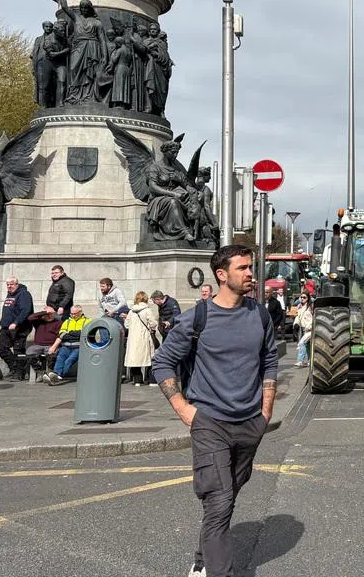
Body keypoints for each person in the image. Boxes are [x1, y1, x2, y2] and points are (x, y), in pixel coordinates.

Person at [152, 245, 278, 577]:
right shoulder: (198, 317)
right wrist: (184, 410)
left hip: (250, 424)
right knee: (219, 498)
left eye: (251, 267)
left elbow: (269, 363)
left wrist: (265, 413)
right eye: (243, 268)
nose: (250, 273)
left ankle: (202, 560)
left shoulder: (260, 315)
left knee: (225, 498)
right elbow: (163, 362)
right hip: (210, 423)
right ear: (222, 275)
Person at [0, 276, 34, 381]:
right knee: (1, 348)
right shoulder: (10, 294)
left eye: (11, 284)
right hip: (6, 327)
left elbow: (26, 310)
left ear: (17, 284)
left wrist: (16, 322)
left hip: (20, 327)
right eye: (7, 284)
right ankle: (14, 368)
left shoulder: (24, 294)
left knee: (18, 350)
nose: (9, 286)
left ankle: (19, 373)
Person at [46, 306, 91, 385]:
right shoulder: (67, 321)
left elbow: (84, 334)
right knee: (60, 358)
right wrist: (75, 334)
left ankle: (56, 376)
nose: (72, 315)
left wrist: (70, 333)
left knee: (69, 360)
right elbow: (62, 334)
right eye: (71, 314)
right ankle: (56, 375)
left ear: (80, 312)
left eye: (75, 314)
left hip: (79, 346)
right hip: (65, 346)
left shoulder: (88, 321)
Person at [123, 291, 160, 386]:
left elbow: (126, 325)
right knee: (149, 358)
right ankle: (151, 380)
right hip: (144, 337)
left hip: (133, 339)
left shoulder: (131, 311)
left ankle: (137, 381)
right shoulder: (147, 310)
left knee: (135, 359)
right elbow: (153, 323)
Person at [25, 310, 62, 381]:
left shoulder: (58, 322)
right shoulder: (39, 322)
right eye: (47, 314)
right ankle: (41, 372)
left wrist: (54, 346)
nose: (49, 316)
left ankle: (50, 372)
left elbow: (60, 336)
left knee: (53, 352)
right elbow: (30, 317)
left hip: (50, 345)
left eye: (50, 314)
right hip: (38, 345)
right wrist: (44, 312)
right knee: (29, 352)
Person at [294, 293, 313, 367]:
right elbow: (298, 317)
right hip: (304, 330)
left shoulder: (311, 307)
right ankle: (310, 360)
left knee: (302, 343)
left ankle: (300, 361)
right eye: (301, 297)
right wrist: (295, 324)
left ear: (308, 298)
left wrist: (309, 326)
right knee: (307, 345)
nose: (302, 298)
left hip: (310, 329)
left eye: (304, 297)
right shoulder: (300, 307)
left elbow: (314, 318)